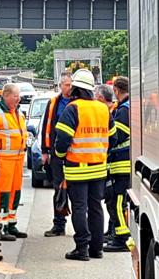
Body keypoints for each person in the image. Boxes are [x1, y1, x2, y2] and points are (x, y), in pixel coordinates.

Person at [54, 69, 117, 261]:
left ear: (75, 88)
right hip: (99, 167)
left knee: (80, 208)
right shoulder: (102, 109)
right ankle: (96, 249)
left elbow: (62, 139)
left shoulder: (72, 108)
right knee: (96, 207)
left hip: (77, 168)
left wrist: (60, 155)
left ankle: (81, 248)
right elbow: (113, 138)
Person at [0, 83, 28, 241]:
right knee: (2, 193)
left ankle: (11, 223)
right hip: (3, 160)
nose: (19, 99)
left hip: (17, 160)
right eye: (16, 96)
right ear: (6, 95)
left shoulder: (17, 112)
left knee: (15, 193)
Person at [41, 71, 72, 237]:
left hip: (74, 154)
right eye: (67, 85)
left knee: (75, 191)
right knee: (59, 189)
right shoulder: (53, 103)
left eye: (71, 84)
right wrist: (45, 151)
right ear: (60, 86)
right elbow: (46, 126)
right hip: (56, 154)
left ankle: (80, 226)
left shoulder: (78, 102)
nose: (69, 88)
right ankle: (59, 225)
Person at [104, 76, 131, 252]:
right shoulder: (128, 107)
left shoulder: (123, 111)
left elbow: (117, 137)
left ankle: (121, 239)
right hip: (125, 162)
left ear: (116, 91)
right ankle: (115, 234)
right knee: (116, 201)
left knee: (118, 201)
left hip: (121, 163)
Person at [94, 84, 117, 240]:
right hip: (109, 163)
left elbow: (115, 138)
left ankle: (116, 234)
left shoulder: (116, 112)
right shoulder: (113, 111)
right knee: (110, 200)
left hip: (115, 164)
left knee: (114, 201)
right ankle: (111, 231)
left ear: (101, 98)